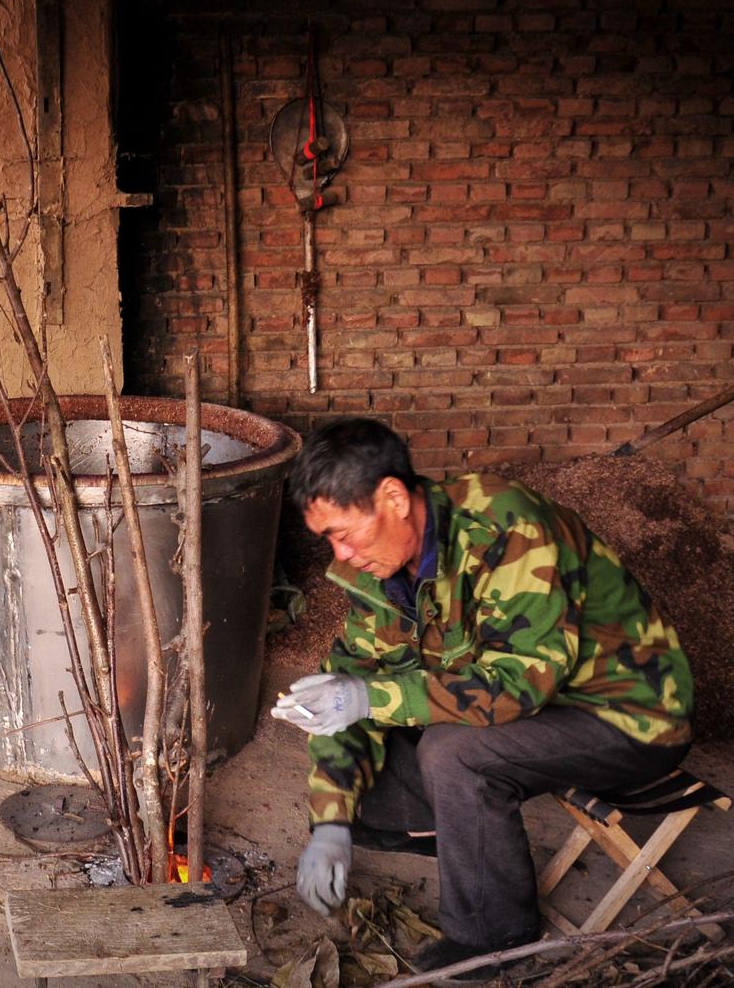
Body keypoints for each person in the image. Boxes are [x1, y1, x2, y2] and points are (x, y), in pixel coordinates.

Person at [273, 417, 694, 978]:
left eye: (344, 533)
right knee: (360, 801)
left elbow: (520, 684)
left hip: (626, 718)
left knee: (452, 751)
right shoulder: (384, 572)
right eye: (326, 538)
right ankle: (471, 844)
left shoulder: (505, 527)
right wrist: (330, 822)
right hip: (532, 723)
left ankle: (493, 940)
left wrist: (368, 698)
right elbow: (351, 679)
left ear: (393, 498)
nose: (341, 555)